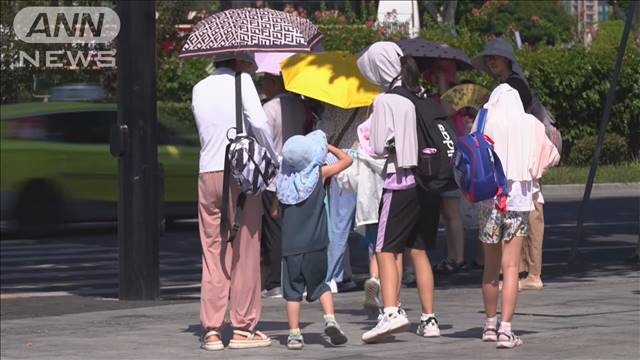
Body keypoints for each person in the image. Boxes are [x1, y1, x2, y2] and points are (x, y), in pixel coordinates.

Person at [471, 38, 560, 349]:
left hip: (488, 198)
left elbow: (470, 152)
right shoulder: (529, 123)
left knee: (490, 267)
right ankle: (507, 329)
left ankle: (489, 325)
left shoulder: (483, 118)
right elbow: (551, 156)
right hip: (518, 196)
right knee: (512, 266)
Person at [357, 41, 443, 343]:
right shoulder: (419, 94)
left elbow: (379, 147)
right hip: (428, 183)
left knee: (385, 248)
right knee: (419, 251)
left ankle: (391, 311)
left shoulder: (385, 101)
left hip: (400, 181)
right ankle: (429, 318)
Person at [192, 52, 278, 351]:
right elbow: (259, 124)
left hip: (208, 172)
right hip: (240, 174)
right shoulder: (243, 83)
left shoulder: (199, 87)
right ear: (239, 60)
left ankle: (212, 330)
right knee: (245, 250)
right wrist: (273, 159)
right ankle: (243, 328)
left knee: (212, 248)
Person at [472, 39, 545, 291]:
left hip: (517, 162)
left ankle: (530, 272)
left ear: (507, 60)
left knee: (530, 213)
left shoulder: (513, 87)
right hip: (518, 161)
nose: (492, 62)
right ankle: (522, 270)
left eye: (496, 58)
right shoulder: (507, 86)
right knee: (522, 219)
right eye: (489, 58)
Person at [274, 130, 352, 350]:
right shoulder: (320, 173)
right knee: (321, 285)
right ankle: (329, 318)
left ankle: (294, 334)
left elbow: (273, 211)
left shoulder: (283, 183)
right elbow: (348, 160)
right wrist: (327, 148)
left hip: (291, 248)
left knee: (292, 292)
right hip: (317, 245)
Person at [259, 72, 306, 298]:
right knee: (295, 229)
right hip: (297, 174)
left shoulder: (269, 108)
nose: (263, 86)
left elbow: (262, 141)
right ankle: (296, 276)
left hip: (273, 177)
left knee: (273, 231)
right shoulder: (299, 105)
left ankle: (275, 280)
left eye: (265, 81)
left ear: (274, 82)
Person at [317, 105, 368, 293]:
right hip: (368, 164)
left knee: (339, 224)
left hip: (342, 165)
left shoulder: (334, 106)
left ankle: (333, 276)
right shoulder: (370, 104)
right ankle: (378, 275)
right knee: (372, 224)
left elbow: (321, 135)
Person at [423, 59, 467, 273]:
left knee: (451, 211)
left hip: (451, 158)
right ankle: (452, 255)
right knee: (446, 213)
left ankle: (457, 257)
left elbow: (446, 111)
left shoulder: (455, 97)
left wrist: (442, 81)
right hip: (440, 158)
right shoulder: (433, 97)